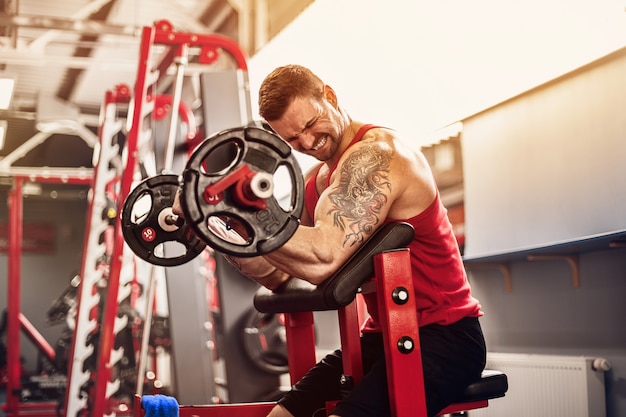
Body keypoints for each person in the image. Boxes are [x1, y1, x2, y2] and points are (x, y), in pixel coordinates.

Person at [175, 64, 486, 417]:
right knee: (280, 416)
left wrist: (247, 216)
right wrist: (211, 222)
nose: (307, 143)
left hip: (446, 338)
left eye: (310, 125)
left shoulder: (379, 156)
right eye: (292, 140)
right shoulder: (317, 181)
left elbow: (322, 255)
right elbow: (279, 272)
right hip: (382, 339)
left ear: (330, 97)